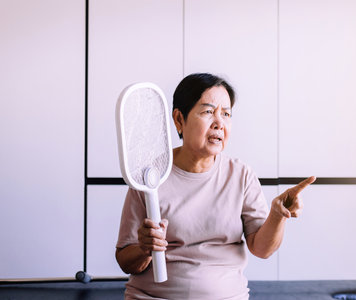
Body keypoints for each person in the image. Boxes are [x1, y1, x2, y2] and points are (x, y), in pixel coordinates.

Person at [116, 73, 315, 299]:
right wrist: (144, 248)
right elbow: (125, 260)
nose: (219, 123)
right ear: (179, 119)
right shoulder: (150, 177)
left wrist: (277, 215)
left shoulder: (241, 175)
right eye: (208, 112)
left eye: (226, 114)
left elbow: (262, 249)